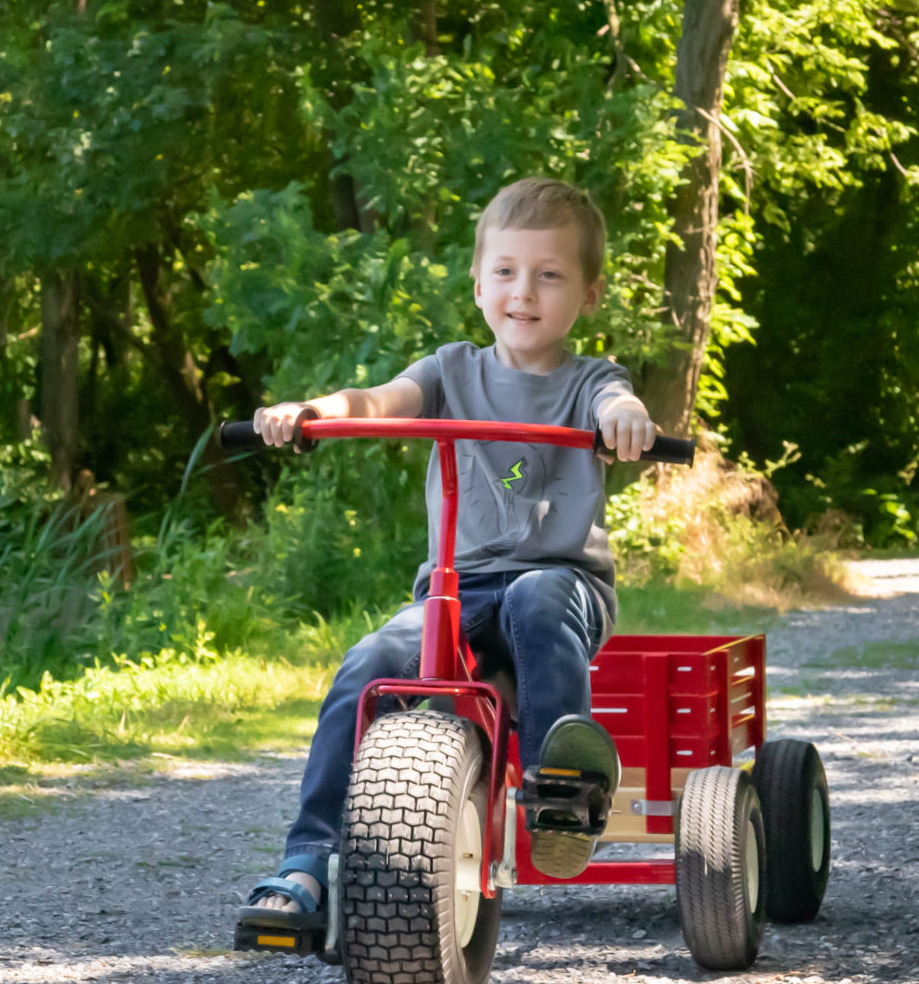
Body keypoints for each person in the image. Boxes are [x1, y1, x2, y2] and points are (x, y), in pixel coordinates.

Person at [236, 176, 656, 943]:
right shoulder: (449, 371)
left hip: (564, 586)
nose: (522, 291)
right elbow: (378, 398)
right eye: (505, 271)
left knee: (535, 596)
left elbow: (615, 407)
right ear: (477, 281)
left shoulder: (591, 379)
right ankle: (306, 863)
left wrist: (626, 421)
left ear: (589, 293)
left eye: (549, 274)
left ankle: (564, 784)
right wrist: (315, 411)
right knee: (369, 663)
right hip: (456, 593)